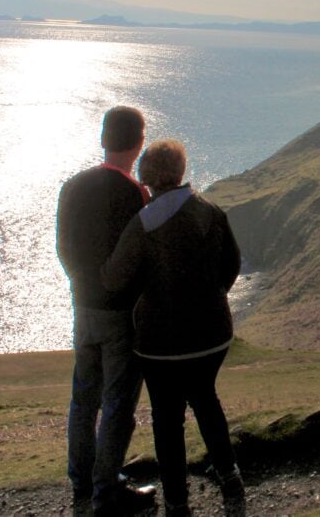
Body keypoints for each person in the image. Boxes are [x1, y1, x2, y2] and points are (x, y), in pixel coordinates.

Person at [102, 139, 245, 517]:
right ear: (180, 170)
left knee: (167, 418)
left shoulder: (143, 224)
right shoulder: (210, 212)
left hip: (160, 342)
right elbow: (231, 265)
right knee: (206, 401)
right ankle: (231, 478)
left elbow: (115, 279)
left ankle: (177, 502)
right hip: (212, 335)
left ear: (147, 177)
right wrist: (210, 298)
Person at [56, 106, 157, 516]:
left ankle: (80, 478)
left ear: (103, 138)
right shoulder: (133, 193)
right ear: (138, 143)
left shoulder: (73, 186)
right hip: (118, 313)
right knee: (117, 401)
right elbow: (140, 257)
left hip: (83, 305)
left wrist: (81, 283)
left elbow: (63, 246)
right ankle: (106, 490)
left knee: (84, 397)